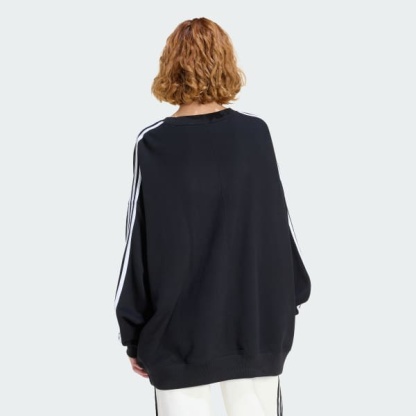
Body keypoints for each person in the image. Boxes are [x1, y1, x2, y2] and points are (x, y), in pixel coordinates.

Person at [114, 17, 311, 416]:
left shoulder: (153, 143)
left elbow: (137, 242)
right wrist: (292, 296)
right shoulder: (256, 135)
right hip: (255, 326)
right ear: (226, 63)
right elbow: (280, 227)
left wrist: (132, 331)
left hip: (177, 334)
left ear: (170, 66)